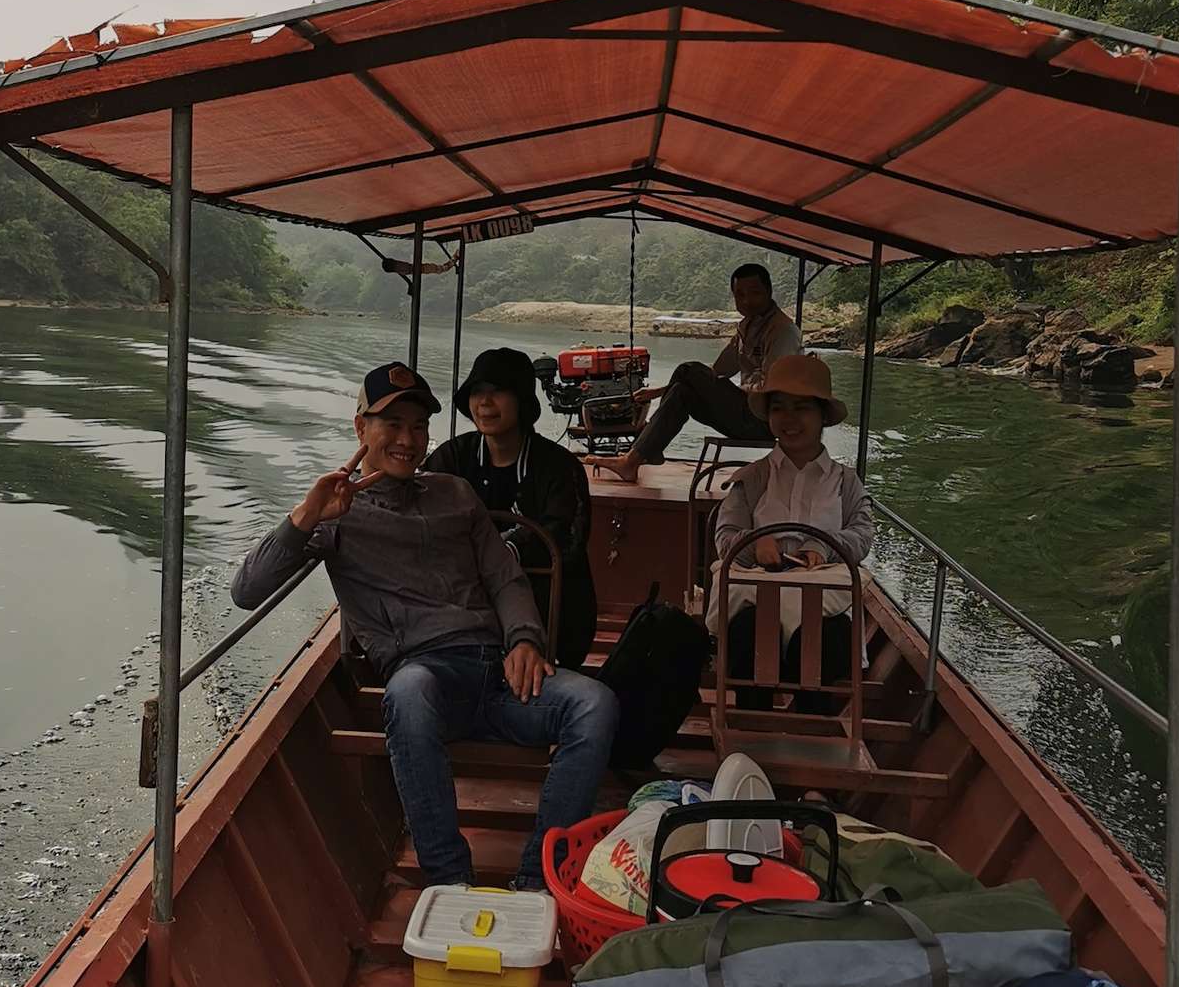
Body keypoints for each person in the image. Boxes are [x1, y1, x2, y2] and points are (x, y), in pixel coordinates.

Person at [231, 360, 616, 890]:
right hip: (427, 678)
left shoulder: (455, 494)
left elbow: (505, 579)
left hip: (501, 674)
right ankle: (448, 880)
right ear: (360, 428)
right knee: (409, 693)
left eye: (418, 426)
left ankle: (537, 878)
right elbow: (246, 591)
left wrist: (524, 639)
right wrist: (305, 516)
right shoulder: (338, 512)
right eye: (392, 425)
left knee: (595, 704)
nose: (408, 440)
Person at [424, 347, 597, 670]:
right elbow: (421, 519)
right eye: (477, 392)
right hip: (465, 608)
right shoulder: (452, 458)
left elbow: (567, 539)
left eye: (498, 391)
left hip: (550, 610)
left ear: (521, 400)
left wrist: (501, 553)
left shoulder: (559, 468)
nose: (485, 403)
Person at [711, 353, 874, 689]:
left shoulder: (846, 481)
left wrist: (824, 547)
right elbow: (725, 536)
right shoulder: (752, 478)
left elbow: (862, 533)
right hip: (757, 594)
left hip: (822, 600)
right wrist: (754, 544)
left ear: (822, 416)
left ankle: (815, 722)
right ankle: (749, 720)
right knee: (749, 626)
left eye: (802, 408)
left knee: (829, 634)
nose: (789, 419)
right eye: (778, 408)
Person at [609, 261, 802, 478]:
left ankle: (646, 448)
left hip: (765, 419)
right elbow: (718, 371)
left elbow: (774, 384)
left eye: (754, 293)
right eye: (740, 295)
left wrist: (732, 393)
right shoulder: (747, 327)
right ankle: (634, 460)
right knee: (681, 392)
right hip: (744, 411)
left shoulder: (783, 331)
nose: (747, 301)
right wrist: (657, 392)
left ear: (769, 292)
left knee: (688, 369)